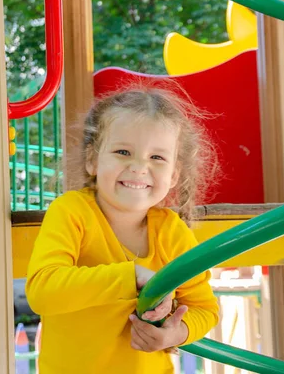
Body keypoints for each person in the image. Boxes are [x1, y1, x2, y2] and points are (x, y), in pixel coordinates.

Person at [26, 85, 220, 373]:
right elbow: (43, 292)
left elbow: (205, 309)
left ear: (174, 174)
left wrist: (175, 333)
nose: (139, 167)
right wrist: (131, 276)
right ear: (93, 159)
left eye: (157, 157)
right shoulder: (71, 211)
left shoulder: (171, 232)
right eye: (123, 151)